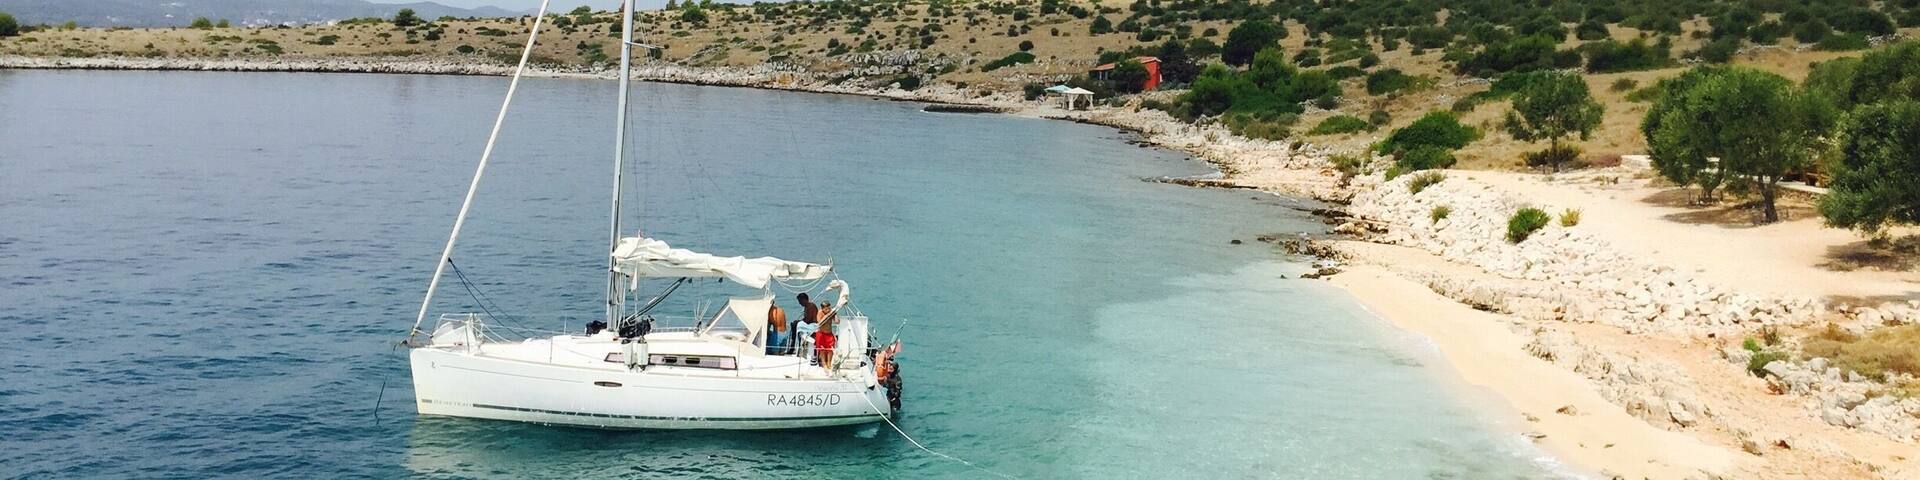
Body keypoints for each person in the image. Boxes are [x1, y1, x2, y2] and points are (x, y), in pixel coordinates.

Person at [793, 293, 819, 362]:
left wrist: (799, 321)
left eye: (800, 301)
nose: (799, 303)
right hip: (809, 323)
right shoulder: (806, 307)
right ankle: (795, 345)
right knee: (794, 324)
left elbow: (808, 320)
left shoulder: (811, 306)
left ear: (804, 300)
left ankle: (794, 346)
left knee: (796, 325)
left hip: (812, 325)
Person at [813, 301, 838, 369]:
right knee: (822, 350)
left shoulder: (830, 313)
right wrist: (827, 315)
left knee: (830, 349)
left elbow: (837, 322)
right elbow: (820, 323)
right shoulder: (820, 313)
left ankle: (829, 363)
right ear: (823, 308)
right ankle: (824, 363)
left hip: (829, 334)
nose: (828, 310)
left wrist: (835, 314)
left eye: (829, 308)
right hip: (821, 334)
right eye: (826, 309)